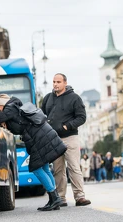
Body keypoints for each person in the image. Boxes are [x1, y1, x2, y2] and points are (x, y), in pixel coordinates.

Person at [0, 94, 66, 211]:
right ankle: (54, 198)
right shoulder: (14, 106)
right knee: (45, 169)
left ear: (1, 104)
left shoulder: (10, 107)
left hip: (39, 138)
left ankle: (54, 196)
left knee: (36, 168)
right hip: (41, 136)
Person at [41, 73, 91, 206]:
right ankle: (61, 198)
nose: (55, 84)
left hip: (70, 137)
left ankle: (80, 196)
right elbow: (41, 116)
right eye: (54, 82)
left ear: (65, 83)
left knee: (74, 167)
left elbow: (81, 117)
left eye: (58, 82)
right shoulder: (47, 98)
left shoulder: (74, 98)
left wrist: (67, 126)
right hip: (54, 139)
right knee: (58, 169)